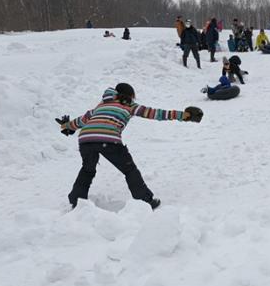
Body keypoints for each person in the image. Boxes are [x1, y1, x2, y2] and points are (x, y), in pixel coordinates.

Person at [59, 83, 199, 209]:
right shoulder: (129, 105)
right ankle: (144, 201)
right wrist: (183, 115)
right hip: (108, 139)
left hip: (85, 139)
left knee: (87, 170)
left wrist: (66, 126)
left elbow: (79, 121)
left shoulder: (100, 106)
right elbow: (155, 113)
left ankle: (75, 201)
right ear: (130, 95)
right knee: (129, 170)